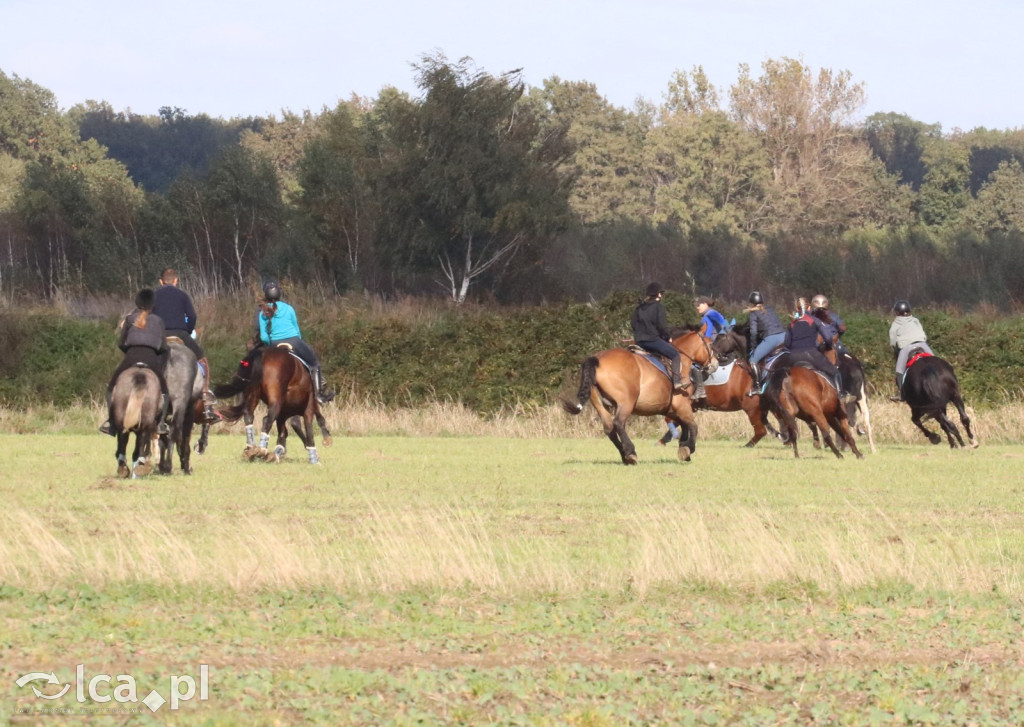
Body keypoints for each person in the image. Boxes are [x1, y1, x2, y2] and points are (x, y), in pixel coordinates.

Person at [98, 289, 171, 436]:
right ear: (152, 305)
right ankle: (161, 423)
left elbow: (121, 343)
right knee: (165, 391)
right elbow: (163, 347)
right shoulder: (158, 321)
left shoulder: (130, 319)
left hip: (131, 357)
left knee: (111, 387)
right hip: (151, 359)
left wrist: (130, 352)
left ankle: (111, 423)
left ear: (137, 303)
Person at [152, 267, 218, 421]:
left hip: (160, 336)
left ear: (161, 282)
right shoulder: (182, 295)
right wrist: (187, 331)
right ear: (176, 281)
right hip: (181, 334)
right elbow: (192, 316)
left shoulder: (154, 295)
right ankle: (206, 395)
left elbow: (150, 317)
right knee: (203, 360)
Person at [254, 279, 334, 404]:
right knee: (314, 364)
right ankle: (319, 395)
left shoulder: (262, 312)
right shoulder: (289, 308)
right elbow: (297, 329)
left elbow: (264, 337)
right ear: (279, 293)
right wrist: (298, 341)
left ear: (266, 294)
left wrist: (271, 346)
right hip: (294, 341)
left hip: (275, 343)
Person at [630, 282, 684, 392]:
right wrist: (667, 337)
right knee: (675, 355)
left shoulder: (639, 308)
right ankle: (677, 382)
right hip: (652, 340)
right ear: (658, 294)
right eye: (661, 293)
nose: (662, 295)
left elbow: (633, 324)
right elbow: (661, 326)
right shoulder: (658, 307)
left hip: (639, 341)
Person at [784, 297, 843, 393]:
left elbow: (787, 343)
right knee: (835, 372)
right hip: (810, 354)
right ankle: (842, 395)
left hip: (793, 357)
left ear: (796, 309)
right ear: (809, 308)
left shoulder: (791, 324)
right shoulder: (814, 320)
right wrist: (828, 345)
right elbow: (828, 338)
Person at [888, 299, 933, 402]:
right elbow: (923, 334)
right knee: (935, 362)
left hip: (906, 348)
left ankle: (901, 394)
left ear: (897, 312)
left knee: (899, 370)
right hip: (922, 345)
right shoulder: (915, 320)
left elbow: (893, 342)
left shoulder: (895, 324)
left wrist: (895, 350)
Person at [745, 291, 786, 397]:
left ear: (751, 303)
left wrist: (753, 347)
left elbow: (753, 332)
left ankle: (757, 387)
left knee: (753, 360)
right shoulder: (770, 309)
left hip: (772, 339)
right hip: (785, 336)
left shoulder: (753, 313)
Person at [691, 296, 728, 402]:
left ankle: (700, 389)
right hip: (708, 345)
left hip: (712, 347)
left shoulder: (711, 313)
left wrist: (722, 339)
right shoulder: (706, 315)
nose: (697, 307)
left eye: (699, 304)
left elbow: (726, 324)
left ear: (705, 304)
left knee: (695, 366)